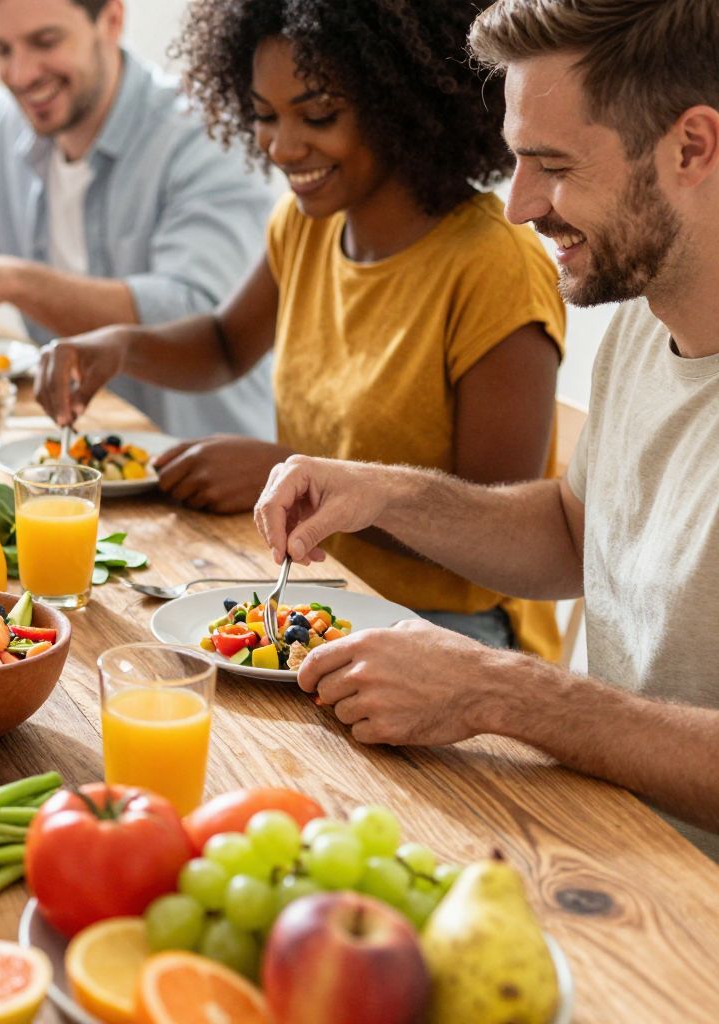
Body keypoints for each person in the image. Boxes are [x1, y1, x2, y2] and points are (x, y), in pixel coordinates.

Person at [253, 0, 719, 857]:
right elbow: (574, 534)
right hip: (605, 845)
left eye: (552, 165)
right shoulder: (643, 328)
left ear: (692, 146)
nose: (519, 206)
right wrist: (380, 494)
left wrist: (504, 692)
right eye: (516, 162)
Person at [37, 0, 566, 655]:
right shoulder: (308, 224)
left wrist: (295, 479)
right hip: (327, 598)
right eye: (264, 116)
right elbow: (225, 346)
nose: (282, 147)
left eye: (318, 116)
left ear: (400, 101)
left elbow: (496, 529)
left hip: (457, 633)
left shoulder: (493, 266)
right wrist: (117, 346)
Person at [0, 0, 277, 440]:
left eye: (45, 42)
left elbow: (197, 317)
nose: (20, 74)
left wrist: (12, 281)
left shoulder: (204, 135)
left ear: (112, 20)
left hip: (203, 465)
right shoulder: (4, 126)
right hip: (75, 451)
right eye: (3, 49)